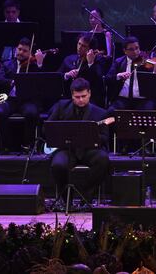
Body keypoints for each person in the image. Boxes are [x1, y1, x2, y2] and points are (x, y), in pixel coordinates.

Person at [46, 78, 111, 211]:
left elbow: (105, 137)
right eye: (77, 97)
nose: (81, 100)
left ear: (89, 94)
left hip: (89, 150)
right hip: (66, 149)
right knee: (58, 165)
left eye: (84, 96)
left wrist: (90, 136)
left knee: (103, 160)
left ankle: (86, 197)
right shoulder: (61, 107)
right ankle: (66, 201)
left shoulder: (100, 113)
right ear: (72, 95)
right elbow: (47, 128)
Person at [0, 37, 47, 152]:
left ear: (30, 53)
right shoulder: (7, 64)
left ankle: (27, 145)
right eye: (19, 49)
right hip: (10, 100)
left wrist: (39, 63)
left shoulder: (34, 66)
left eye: (25, 51)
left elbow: (42, 82)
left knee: (31, 113)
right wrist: (12, 81)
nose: (20, 52)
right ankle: (7, 146)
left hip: (28, 101)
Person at [104, 36, 156, 116]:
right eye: (131, 49)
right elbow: (107, 79)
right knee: (109, 113)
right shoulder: (118, 62)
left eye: (137, 48)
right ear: (125, 51)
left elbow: (153, 83)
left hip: (142, 100)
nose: (135, 52)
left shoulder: (145, 62)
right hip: (123, 99)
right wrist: (118, 75)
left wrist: (155, 71)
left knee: (149, 114)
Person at [57, 33, 107, 106]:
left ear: (90, 49)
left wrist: (90, 63)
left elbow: (99, 81)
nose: (79, 47)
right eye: (79, 44)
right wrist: (66, 75)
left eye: (84, 46)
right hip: (69, 97)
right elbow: (57, 76)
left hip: (89, 98)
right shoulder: (69, 59)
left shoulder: (99, 61)